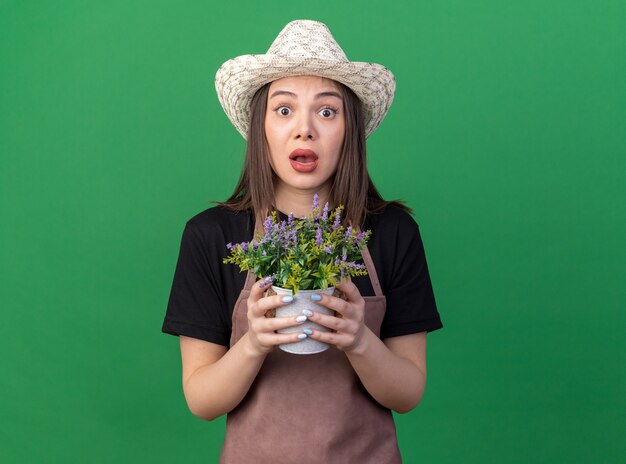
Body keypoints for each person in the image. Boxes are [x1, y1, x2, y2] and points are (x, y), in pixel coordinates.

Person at [162, 19, 443, 463]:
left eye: (327, 111)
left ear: (349, 129)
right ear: (261, 128)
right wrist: (254, 342)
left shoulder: (392, 232)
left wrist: (358, 340)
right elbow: (202, 400)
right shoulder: (211, 235)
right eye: (284, 109)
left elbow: (408, 392)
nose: (305, 129)